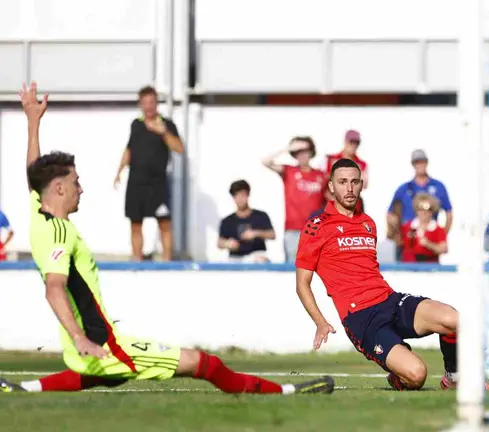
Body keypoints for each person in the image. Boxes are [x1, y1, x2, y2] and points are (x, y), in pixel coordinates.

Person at [0, 82, 333, 396]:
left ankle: (23, 389)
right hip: (101, 341)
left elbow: (35, 172)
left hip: (90, 342)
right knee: (204, 363)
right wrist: (79, 338)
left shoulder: (40, 213)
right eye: (76, 182)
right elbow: (54, 287)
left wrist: (33, 122)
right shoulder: (58, 234)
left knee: (102, 372)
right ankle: (286, 392)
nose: (81, 188)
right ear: (58, 188)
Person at [295, 158, 460, 391]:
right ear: (331, 187)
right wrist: (320, 322)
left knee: (454, 320)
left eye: (354, 182)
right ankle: (398, 368)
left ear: (361, 184)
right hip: (363, 319)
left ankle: (454, 378)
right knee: (417, 375)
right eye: (342, 182)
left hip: (390, 301)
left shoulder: (368, 224)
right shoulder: (316, 226)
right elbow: (302, 283)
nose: (349, 188)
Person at [114, 86, 184, 261]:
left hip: (158, 183)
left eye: (151, 102)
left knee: (165, 223)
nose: (149, 107)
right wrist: (119, 171)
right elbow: (129, 149)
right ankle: (136, 261)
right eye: (145, 103)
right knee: (135, 223)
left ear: (156, 103)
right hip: (136, 182)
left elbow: (179, 148)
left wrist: (163, 132)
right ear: (140, 104)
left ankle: (167, 262)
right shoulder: (136, 124)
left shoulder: (167, 124)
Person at [262, 137, 325, 263]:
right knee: (293, 272)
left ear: (311, 151)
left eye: (305, 150)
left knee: (317, 270)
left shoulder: (321, 175)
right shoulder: (289, 171)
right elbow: (265, 161)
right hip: (293, 232)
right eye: (298, 151)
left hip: (316, 232)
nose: (302, 154)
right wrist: (288, 149)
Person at [386, 150, 453, 261]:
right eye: (417, 162)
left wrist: (437, 236)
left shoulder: (438, 186)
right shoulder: (404, 188)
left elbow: (449, 214)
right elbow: (390, 214)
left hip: (429, 250)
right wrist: (397, 233)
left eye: (422, 161)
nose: (423, 211)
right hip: (408, 240)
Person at [218, 180, 275, 263]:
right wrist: (227, 243)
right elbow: (220, 242)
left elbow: (272, 235)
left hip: (256, 255)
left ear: (248, 195)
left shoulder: (260, 216)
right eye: (236, 196)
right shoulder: (227, 221)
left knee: (261, 260)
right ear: (233, 198)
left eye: (242, 195)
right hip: (235, 258)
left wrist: (256, 233)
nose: (240, 199)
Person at [325, 129, 368, 212]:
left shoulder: (362, 164)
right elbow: (324, 181)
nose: (354, 145)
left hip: (353, 206)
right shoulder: (330, 159)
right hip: (331, 204)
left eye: (357, 143)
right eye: (351, 142)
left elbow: (364, 185)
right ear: (345, 141)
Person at [399, 193, 448, 263]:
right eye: (421, 208)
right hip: (408, 268)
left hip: (430, 268)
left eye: (428, 208)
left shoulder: (438, 229)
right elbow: (397, 242)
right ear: (416, 209)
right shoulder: (407, 227)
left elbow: (443, 249)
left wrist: (428, 244)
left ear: (432, 210)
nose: (424, 212)